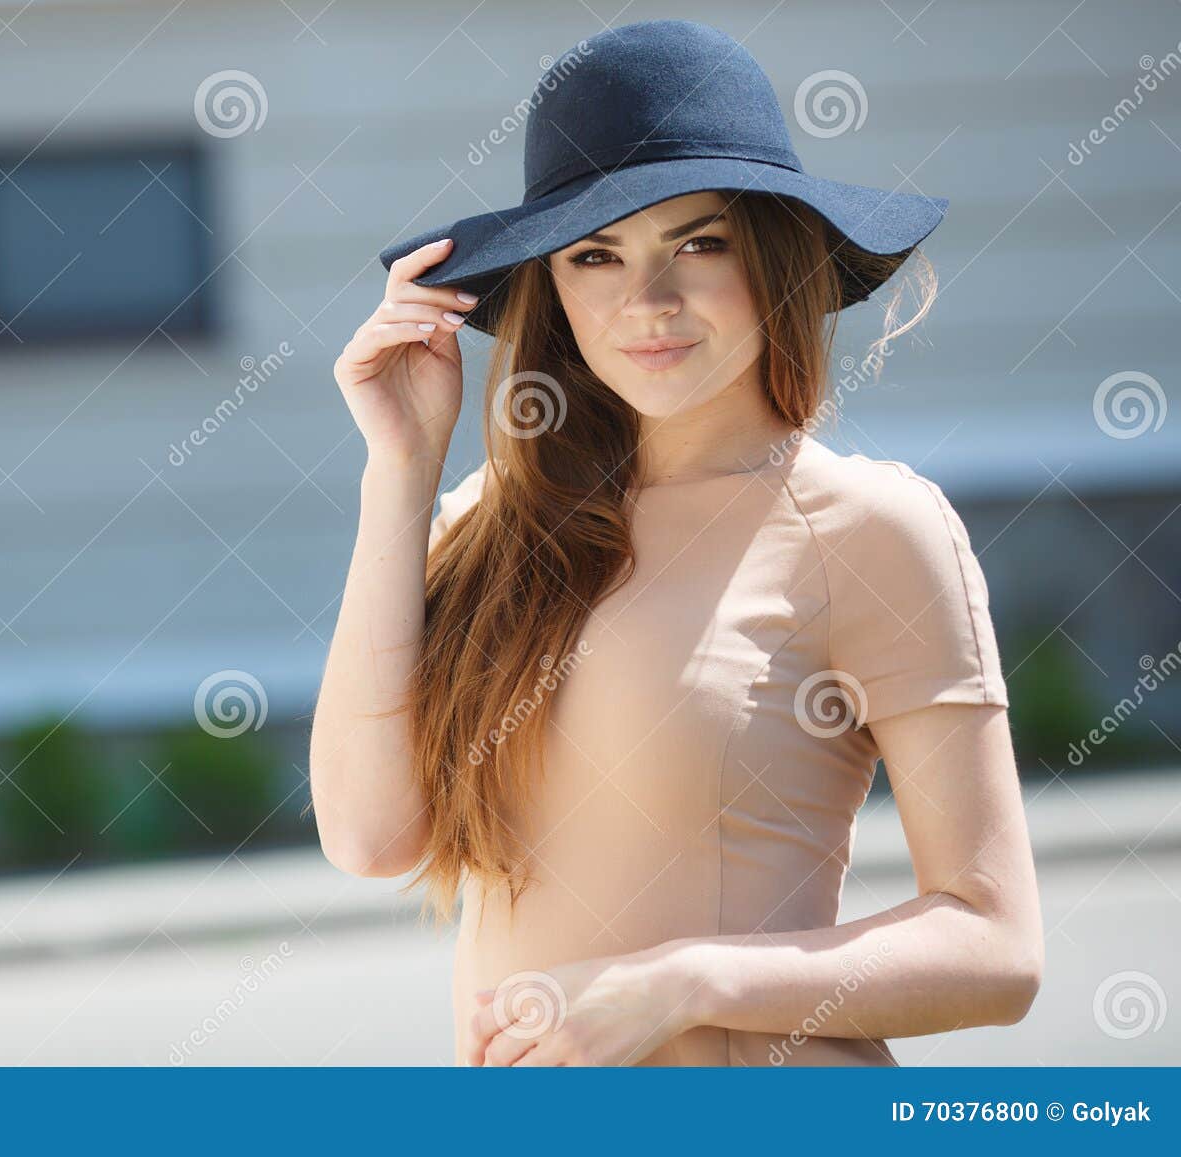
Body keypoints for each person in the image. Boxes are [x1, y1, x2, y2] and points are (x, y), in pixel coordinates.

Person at [309, 18, 1043, 1067]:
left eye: (697, 243)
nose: (644, 304)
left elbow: (995, 944)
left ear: (773, 255)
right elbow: (370, 836)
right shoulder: (486, 518)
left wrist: (685, 982)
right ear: (552, 292)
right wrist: (399, 470)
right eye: (594, 255)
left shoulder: (873, 528)